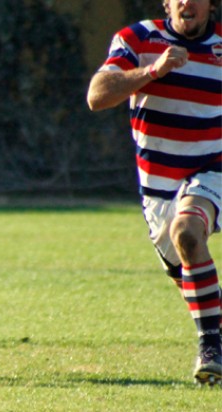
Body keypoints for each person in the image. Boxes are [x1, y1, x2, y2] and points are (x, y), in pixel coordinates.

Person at [86, 0, 222, 385]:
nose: (186, 2)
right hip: (157, 186)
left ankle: (210, 347)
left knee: (187, 232)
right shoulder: (139, 38)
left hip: (212, 170)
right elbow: (97, 96)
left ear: (211, 4)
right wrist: (152, 70)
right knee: (188, 273)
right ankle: (217, 331)